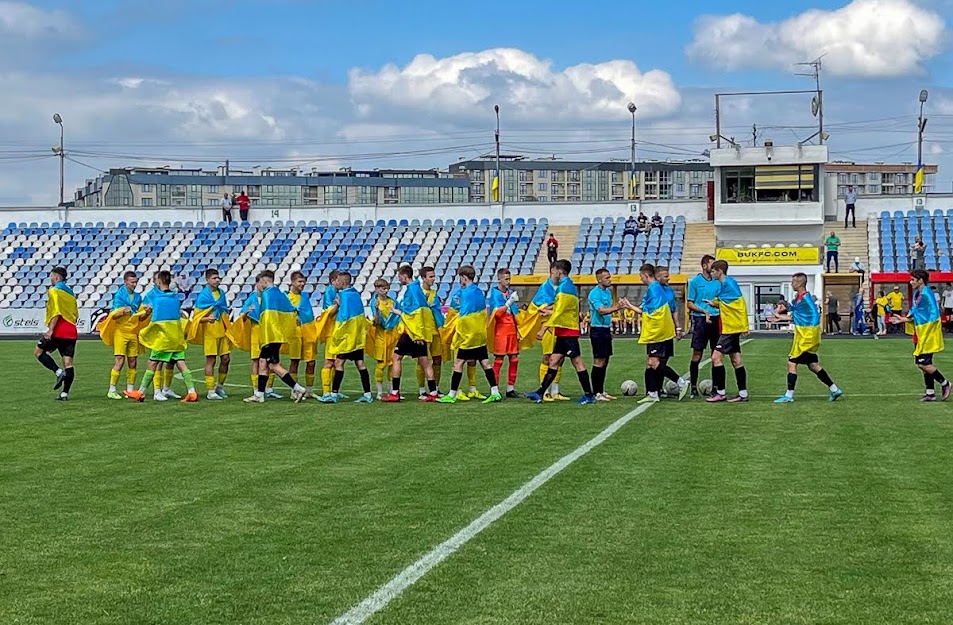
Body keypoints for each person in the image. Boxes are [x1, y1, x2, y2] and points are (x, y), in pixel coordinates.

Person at [525, 259, 596, 405]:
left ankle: (589, 395)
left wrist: (543, 329)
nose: (553, 273)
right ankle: (540, 392)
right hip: (563, 332)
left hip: (568, 331)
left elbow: (559, 312)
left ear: (559, 271)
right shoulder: (567, 286)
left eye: (554, 270)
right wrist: (547, 310)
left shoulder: (564, 287)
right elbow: (560, 308)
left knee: (577, 362)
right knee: (553, 361)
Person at [126, 270, 198, 403]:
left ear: (159, 281)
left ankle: (141, 392)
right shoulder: (175, 297)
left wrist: (145, 330)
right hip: (176, 337)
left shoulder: (157, 299)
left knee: (152, 363)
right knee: (181, 363)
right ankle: (192, 391)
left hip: (163, 339)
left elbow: (156, 322)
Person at [237, 270, 307, 404]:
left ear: (265, 280)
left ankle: (297, 388)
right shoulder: (280, 294)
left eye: (262, 282)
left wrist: (267, 335)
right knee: (264, 362)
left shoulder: (268, 294)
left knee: (273, 365)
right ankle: (260, 394)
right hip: (277, 335)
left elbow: (267, 317)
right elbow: (292, 310)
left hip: (270, 336)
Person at [620, 264, 686, 403]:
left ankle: (681, 382)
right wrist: (628, 305)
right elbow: (645, 309)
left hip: (658, 332)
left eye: (641, 276)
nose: (640, 279)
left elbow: (653, 313)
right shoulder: (653, 289)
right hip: (659, 332)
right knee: (650, 363)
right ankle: (653, 393)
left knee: (654, 362)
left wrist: (629, 306)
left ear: (646, 275)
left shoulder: (655, 289)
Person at [773, 273, 844, 403]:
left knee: (792, 362)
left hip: (806, 337)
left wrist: (810, 330)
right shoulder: (800, 299)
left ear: (799, 283)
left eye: (793, 282)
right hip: (804, 336)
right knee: (813, 365)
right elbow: (797, 315)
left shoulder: (806, 299)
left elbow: (814, 316)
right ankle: (834, 389)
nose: (792, 283)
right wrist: (779, 317)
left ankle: (789, 396)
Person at [437, 266, 502, 403]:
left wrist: (458, 336)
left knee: (458, 363)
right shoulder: (479, 292)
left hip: (468, 336)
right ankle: (495, 391)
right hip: (480, 335)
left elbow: (463, 318)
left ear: (464, 277)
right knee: (485, 362)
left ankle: (453, 394)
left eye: (460, 278)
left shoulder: (464, 294)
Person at [890, 269, 951, 401]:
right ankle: (930, 393)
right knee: (922, 363)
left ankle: (945, 383)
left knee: (924, 363)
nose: (910, 282)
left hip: (928, 333)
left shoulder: (926, 295)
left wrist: (906, 319)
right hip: (921, 332)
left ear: (920, 280)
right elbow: (916, 311)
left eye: (912, 279)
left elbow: (932, 315)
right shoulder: (919, 293)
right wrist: (904, 319)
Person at [382, 265, 440, 402]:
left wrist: (396, 312)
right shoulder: (418, 290)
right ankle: (433, 392)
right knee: (425, 362)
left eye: (399, 277)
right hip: (419, 332)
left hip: (411, 332)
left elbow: (414, 314)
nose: (399, 279)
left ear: (404, 276)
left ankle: (394, 392)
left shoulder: (411, 290)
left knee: (396, 358)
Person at [318, 272, 373, 403]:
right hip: (357, 337)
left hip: (347, 338)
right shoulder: (356, 294)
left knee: (338, 362)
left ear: (343, 283)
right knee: (360, 363)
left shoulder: (343, 296)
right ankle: (368, 394)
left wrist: (337, 336)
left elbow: (343, 320)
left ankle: (334, 394)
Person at [703, 260, 750, 403]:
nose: (711, 274)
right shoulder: (726, 285)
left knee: (716, 357)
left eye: (713, 271)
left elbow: (740, 305)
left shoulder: (729, 284)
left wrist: (744, 326)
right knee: (736, 360)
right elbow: (727, 302)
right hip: (730, 327)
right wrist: (715, 303)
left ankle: (721, 392)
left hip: (730, 329)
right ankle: (743, 393)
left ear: (719, 271)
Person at [99, 271, 149, 400]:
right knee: (120, 361)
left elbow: (140, 318)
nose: (134, 284)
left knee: (133, 361)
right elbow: (113, 316)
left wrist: (147, 313)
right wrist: (122, 312)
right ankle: (112, 389)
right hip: (120, 332)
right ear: (125, 282)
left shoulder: (138, 297)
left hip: (132, 332)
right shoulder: (119, 296)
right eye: (132, 282)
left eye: (135, 281)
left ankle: (130, 390)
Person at [186, 268, 232, 400]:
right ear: (207, 280)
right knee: (211, 360)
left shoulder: (221, 294)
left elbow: (224, 311)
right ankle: (210, 391)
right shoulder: (203, 296)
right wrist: (207, 319)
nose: (217, 280)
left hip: (222, 331)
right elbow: (196, 318)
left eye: (218, 278)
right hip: (210, 333)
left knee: (226, 359)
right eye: (214, 278)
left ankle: (220, 387)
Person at [36, 267, 79, 401]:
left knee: (38, 352)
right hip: (71, 331)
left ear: (57, 277)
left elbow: (56, 312)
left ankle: (58, 371)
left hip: (59, 330)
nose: (50, 278)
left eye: (51, 276)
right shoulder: (70, 293)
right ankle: (65, 393)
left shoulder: (54, 291)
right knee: (68, 363)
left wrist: (51, 330)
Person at [686, 254, 721, 397]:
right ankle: (693, 386)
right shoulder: (695, 282)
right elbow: (689, 303)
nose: (713, 268)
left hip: (716, 319)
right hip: (700, 320)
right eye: (711, 265)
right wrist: (703, 310)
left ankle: (716, 387)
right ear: (704, 265)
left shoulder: (718, 282)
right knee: (697, 354)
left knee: (716, 354)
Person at [588, 268, 624, 402]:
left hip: (605, 329)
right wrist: (617, 307)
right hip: (597, 330)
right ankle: (596, 392)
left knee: (605, 360)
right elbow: (601, 310)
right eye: (607, 278)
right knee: (599, 360)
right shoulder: (594, 294)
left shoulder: (607, 292)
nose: (610, 280)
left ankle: (601, 391)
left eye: (609, 277)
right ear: (599, 279)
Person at [285, 271, 319, 400]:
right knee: (295, 362)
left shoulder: (305, 297)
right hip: (295, 334)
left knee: (311, 362)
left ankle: (309, 390)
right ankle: (294, 390)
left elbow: (308, 314)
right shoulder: (287, 297)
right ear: (292, 282)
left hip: (308, 332)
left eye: (303, 281)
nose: (302, 284)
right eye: (299, 281)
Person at [488, 268, 522, 398]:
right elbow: (496, 314)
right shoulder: (495, 294)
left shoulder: (510, 293)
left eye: (509, 279)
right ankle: (495, 388)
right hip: (501, 330)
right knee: (499, 360)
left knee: (514, 359)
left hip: (512, 330)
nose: (508, 282)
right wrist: (509, 303)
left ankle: (510, 388)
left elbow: (515, 314)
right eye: (506, 279)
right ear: (499, 279)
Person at [367, 278, 401, 398]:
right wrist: (376, 310)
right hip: (380, 336)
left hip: (392, 335)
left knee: (393, 363)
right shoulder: (374, 303)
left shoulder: (393, 302)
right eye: (382, 288)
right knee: (381, 363)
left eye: (386, 288)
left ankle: (393, 390)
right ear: (377, 289)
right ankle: (379, 391)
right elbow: (376, 322)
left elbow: (399, 317)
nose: (385, 291)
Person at [317, 269, 341, 398]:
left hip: (338, 331)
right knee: (329, 362)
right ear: (333, 281)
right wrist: (338, 306)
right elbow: (329, 313)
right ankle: (326, 392)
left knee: (337, 361)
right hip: (331, 332)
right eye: (339, 280)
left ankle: (333, 391)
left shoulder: (338, 292)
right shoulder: (329, 293)